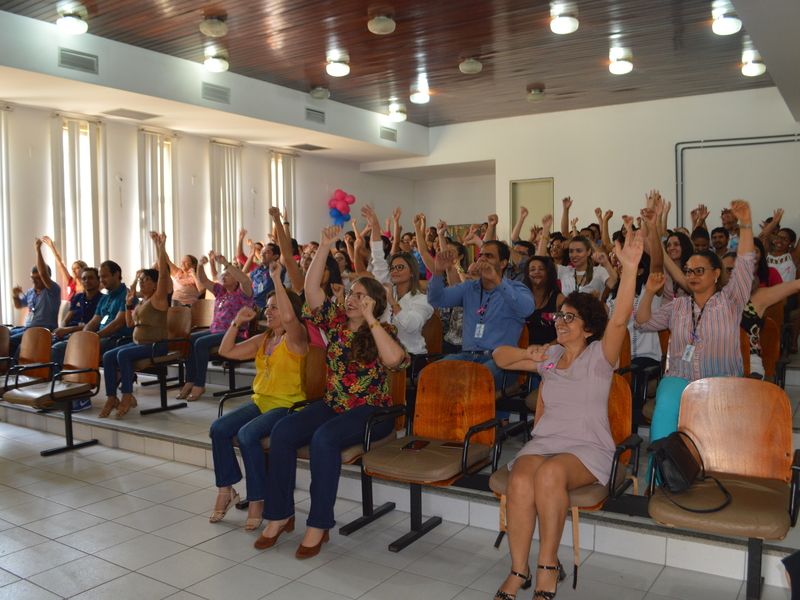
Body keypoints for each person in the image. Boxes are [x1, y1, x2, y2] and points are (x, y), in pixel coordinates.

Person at [491, 228, 644, 600]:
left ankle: (547, 567)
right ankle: (518, 569)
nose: (560, 321)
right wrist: (532, 354)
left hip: (587, 447)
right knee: (521, 479)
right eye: (559, 316)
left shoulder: (600, 357)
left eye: (570, 318)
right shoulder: (551, 356)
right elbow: (499, 355)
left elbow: (621, 321)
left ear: (588, 328)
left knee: (551, 474)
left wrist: (629, 272)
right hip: (546, 441)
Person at [254, 225, 409, 559]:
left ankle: (318, 523)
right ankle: (279, 514)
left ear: (375, 303)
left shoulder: (386, 330)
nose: (352, 298)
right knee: (282, 432)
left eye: (361, 296)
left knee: (323, 439)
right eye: (351, 293)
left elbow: (396, 361)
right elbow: (309, 290)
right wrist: (324, 246)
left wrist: (372, 319)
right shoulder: (335, 322)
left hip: (373, 413)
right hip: (335, 404)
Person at [635, 200, 755, 445]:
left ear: (716, 273)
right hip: (681, 375)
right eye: (688, 271)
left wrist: (746, 224)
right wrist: (648, 292)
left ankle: (716, 469)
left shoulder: (731, 300)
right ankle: (664, 472)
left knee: (716, 431)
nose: (692, 276)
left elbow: (745, 264)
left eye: (699, 271)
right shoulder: (678, 305)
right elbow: (642, 323)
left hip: (720, 377)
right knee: (666, 402)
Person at [208, 265, 309, 530]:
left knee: (247, 435)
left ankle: (257, 500)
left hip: (288, 406)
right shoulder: (263, 339)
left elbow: (289, 320)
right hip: (260, 402)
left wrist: (276, 279)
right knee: (218, 428)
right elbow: (226, 350)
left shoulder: (297, 338)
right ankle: (226, 489)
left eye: (275, 307)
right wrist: (236, 322)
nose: (269, 311)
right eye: (268, 307)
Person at [427, 239, 535, 390]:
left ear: (503, 264)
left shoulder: (516, 288)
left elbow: (527, 310)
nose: (483, 259)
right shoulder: (469, 287)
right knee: (427, 375)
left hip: (501, 362)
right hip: (466, 357)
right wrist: (438, 273)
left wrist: (497, 280)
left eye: (489, 256)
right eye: (481, 255)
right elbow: (436, 300)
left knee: (475, 379)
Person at [99, 233, 171, 419]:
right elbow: (130, 324)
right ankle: (111, 396)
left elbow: (163, 274)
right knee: (108, 356)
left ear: (155, 284)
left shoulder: (158, 298)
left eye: (145, 279)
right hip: (140, 344)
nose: (141, 282)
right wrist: (129, 303)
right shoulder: (141, 301)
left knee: (122, 354)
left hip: (157, 345)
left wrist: (160, 247)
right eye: (140, 279)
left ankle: (127, 395)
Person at [175, 251, 255, 402]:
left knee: (200, 343)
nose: (223, 277)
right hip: (216, 332)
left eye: (228, 275)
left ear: (235, 278)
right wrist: (199, 265)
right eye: (222, 275)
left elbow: (245, 279)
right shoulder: (220, 291)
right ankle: (190, 380)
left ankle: (199, 384)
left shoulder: (243, 293)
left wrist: (225, 263)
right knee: (188, 339)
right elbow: (204, 280)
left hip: (235, 333)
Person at [363, 205, 434, 355]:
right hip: (384, 355)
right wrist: (375, 227)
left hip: (411, 356)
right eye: (393, 268)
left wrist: (392, 302)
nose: (395, 271)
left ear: (413, 272)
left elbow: (412, 326)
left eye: (400, 267)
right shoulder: (390, 288)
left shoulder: (421, 299)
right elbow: (377, 258)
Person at [9, 238, 62, 358]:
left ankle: (12, 371)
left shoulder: (52, 290)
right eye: (32, 278)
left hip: (44, 330)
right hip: (28, 329)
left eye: (37, 278)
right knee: (5, 337)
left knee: (16, 344)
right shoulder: (31, 292)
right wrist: (14, 295)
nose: (34, 281)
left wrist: (38, 250)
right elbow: (18, 305)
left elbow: (43, 273)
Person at [522, 256, 564, 346]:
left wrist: (544, 349)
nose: (537, 272)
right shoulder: (522, 297)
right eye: (532, 269)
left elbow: (563, 331)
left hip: (550, 350)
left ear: (549, 272)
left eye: (541, 269)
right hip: (523, 350)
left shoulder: (558, 299)